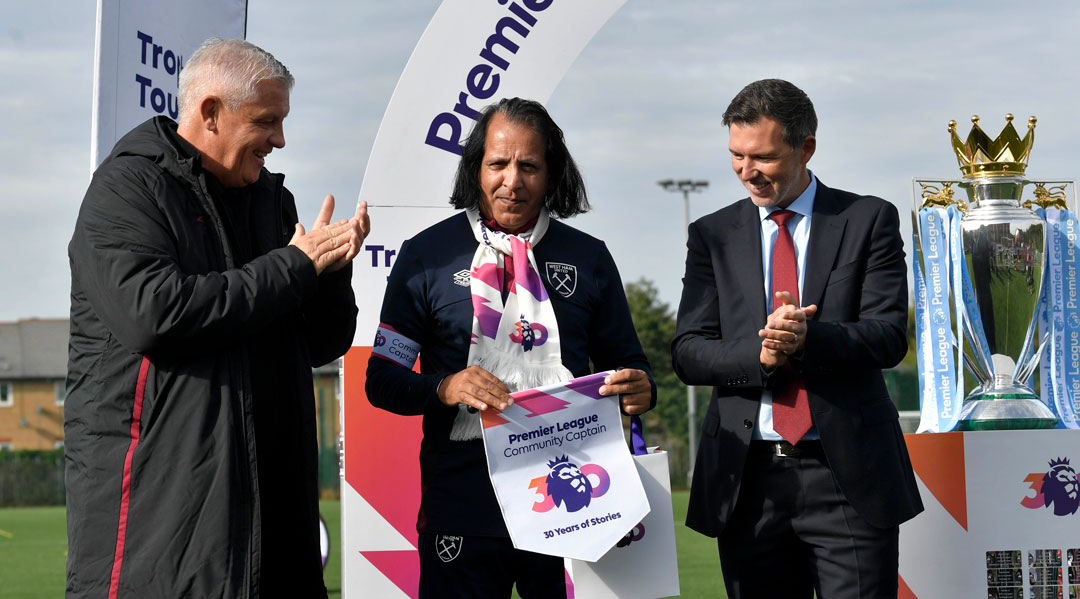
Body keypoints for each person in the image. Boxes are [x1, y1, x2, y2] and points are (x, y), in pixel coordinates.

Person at [65, 38, 368, 599]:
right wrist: (293, 267)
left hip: (278, 543)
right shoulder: (126, 192)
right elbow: (157, 315)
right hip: (165, 546)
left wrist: (329, 270)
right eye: (267, 121)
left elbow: (322, 342)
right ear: (210, 112)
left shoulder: (274, 203)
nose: (280, 139)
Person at [365, 97, 656, 598]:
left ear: (552, 173)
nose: (512, 181)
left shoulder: (589, 258)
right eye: (498, 164)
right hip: (462, 502)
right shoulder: (425, 256)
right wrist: (445, 386)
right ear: (476, 169)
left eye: (529, 166)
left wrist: (639, 387)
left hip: (571, 503)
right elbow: (381, 380)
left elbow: (630, 369)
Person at [670, 79, 923, 598]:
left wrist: (810, 339)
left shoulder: (868, 219)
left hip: (847, 479)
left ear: (806, 147)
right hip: (745, 483)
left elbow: (888, 336)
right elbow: (689, 351)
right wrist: (760, 355)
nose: (747, 172)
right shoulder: (711, 235)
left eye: (762, 157)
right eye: (736, 156)